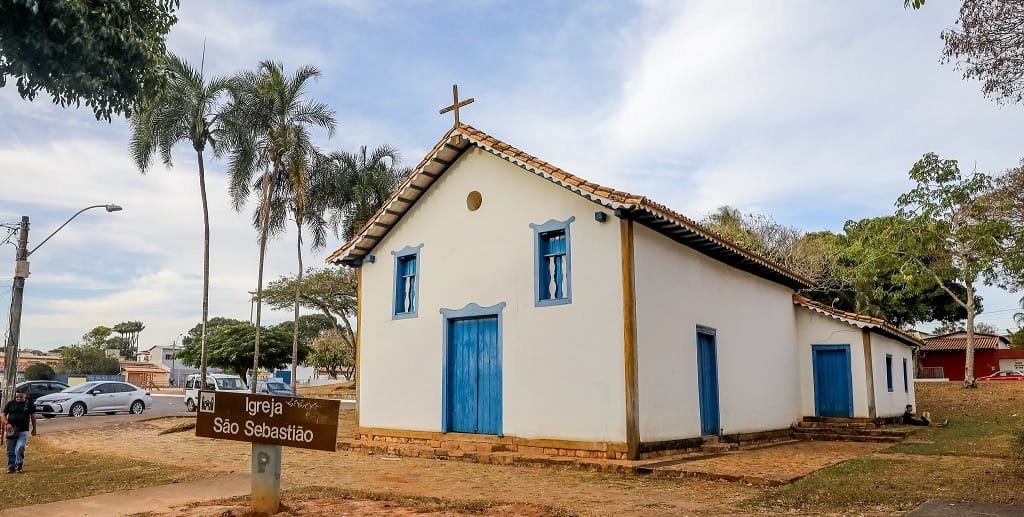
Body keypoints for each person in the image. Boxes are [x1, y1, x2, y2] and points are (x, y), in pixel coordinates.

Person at [3, 387, 37, 473]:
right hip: (11, 430)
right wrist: (7, 423)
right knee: (10, 449)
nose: (18, 398)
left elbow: (33, 417)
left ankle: (19, 463)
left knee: (20, 447)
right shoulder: (10, 403)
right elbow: (3, 414)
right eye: (17, 397)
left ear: (25, 396)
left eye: (21, 397)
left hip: (23, 430)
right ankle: (11, 467)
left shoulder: (29, 404)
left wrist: (34, 428)